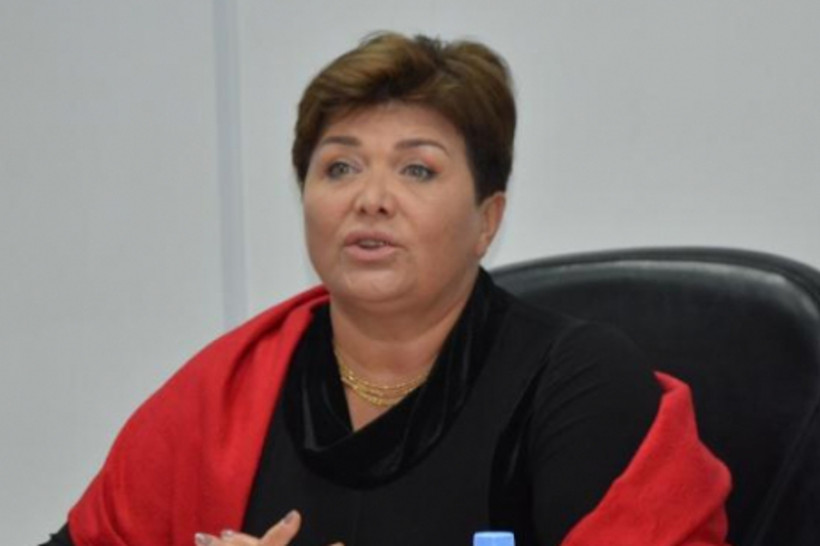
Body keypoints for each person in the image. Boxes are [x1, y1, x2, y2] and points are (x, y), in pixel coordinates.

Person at [42, 32, 731, 546]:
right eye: (339, 168)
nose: (370, 199)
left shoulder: (578, 385)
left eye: (417, 170)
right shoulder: (228, 391)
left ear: (487, 221)